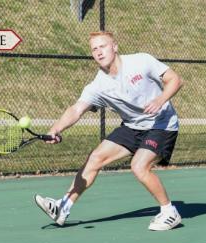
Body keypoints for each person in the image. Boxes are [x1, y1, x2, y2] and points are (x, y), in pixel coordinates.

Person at [34, 31, 184, 231]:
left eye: (102, 46)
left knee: (139, 166)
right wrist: (56, 128)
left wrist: (160, 99)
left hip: (161, 124)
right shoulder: (98, 86)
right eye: (94, 49)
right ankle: (63, 207)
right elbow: (77, 109)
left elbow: (175, 80)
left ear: (115, 47)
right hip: (132, 126)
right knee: (96, 157)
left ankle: (169, 212)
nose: (98, 52)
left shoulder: (141, 61)